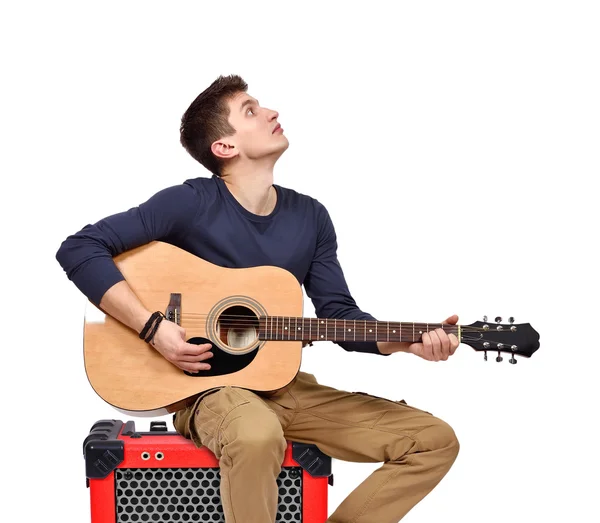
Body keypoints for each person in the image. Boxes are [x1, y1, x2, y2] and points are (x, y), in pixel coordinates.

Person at [56, 74, 460, 523]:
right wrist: (155, 329)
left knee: (433, 439)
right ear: (225, 147)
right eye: (250, 110)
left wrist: (406, 341)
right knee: (255, 433)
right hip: (208, 394)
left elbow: (340, 317)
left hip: (286, 388)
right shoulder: (190, 202)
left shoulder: (310, 216)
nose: (271, 113)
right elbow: (80, 248)